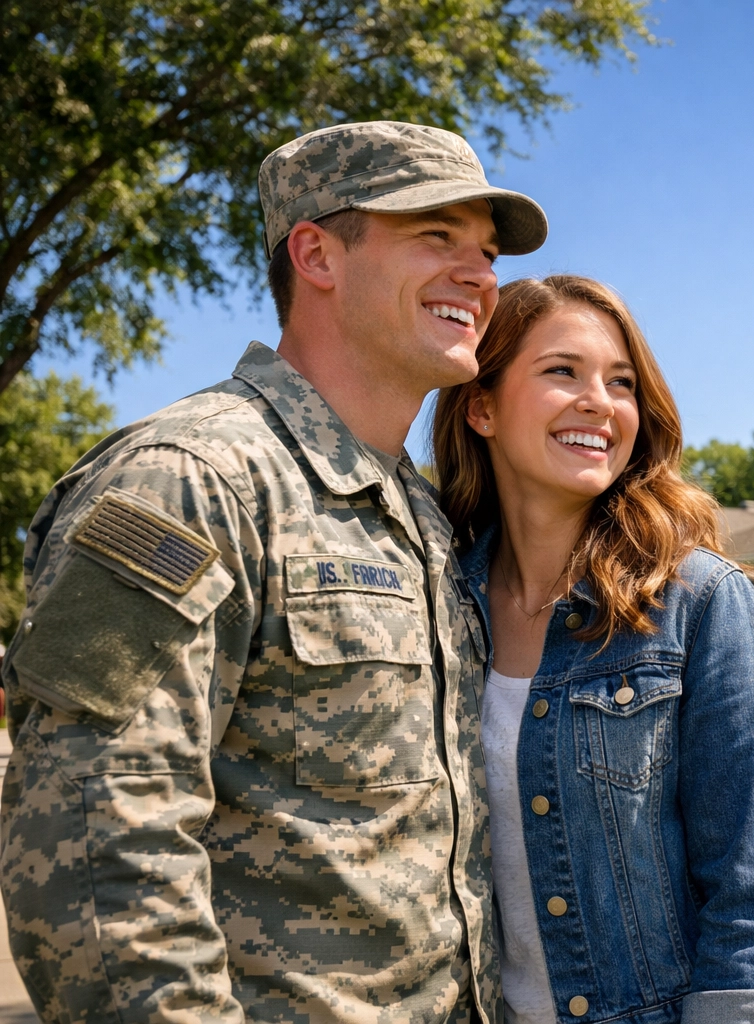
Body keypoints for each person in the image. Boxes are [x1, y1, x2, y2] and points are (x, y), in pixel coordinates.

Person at [0, 120, 547, 1023]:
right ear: (316, 254)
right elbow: (97, 836)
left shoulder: (422, 515)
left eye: (486, 252)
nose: (481, 277)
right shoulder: (188, 479)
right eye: (436, 237)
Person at [432, 276, 754, 1024]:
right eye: (561, 372)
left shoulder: (701, 603)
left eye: (621, 383)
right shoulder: (439, 606)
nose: (599, 403)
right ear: (480, 405)